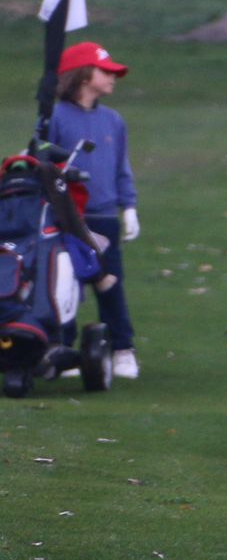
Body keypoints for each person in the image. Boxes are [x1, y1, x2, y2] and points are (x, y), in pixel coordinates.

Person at [48, 41, 141, 379]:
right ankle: (64, 351)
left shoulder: (113, 121)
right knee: (65, 286)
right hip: (66, 217)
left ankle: (122, 349)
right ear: (85, 76)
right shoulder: (55, 118)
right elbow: (42, 163)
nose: (113, 77)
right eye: (106, 71)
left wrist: (128, 207)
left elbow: (121, 168)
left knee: (110, 284)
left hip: (103, 217)